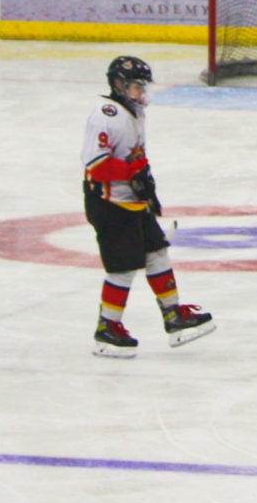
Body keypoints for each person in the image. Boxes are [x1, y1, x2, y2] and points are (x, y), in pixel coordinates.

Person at [81, 55, 213, 355]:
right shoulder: (107, 114)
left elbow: (134, 158)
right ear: (119, 85)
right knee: (123, 268)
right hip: (109, 204)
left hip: (130, 201)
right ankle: (107, 329)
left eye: (144, 86)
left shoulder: (135, 112)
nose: (142, 92)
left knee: (156, 252)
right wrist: (133, 174)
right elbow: (96, 167)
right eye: (136, 86)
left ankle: (173, 315)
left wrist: (146, 188)